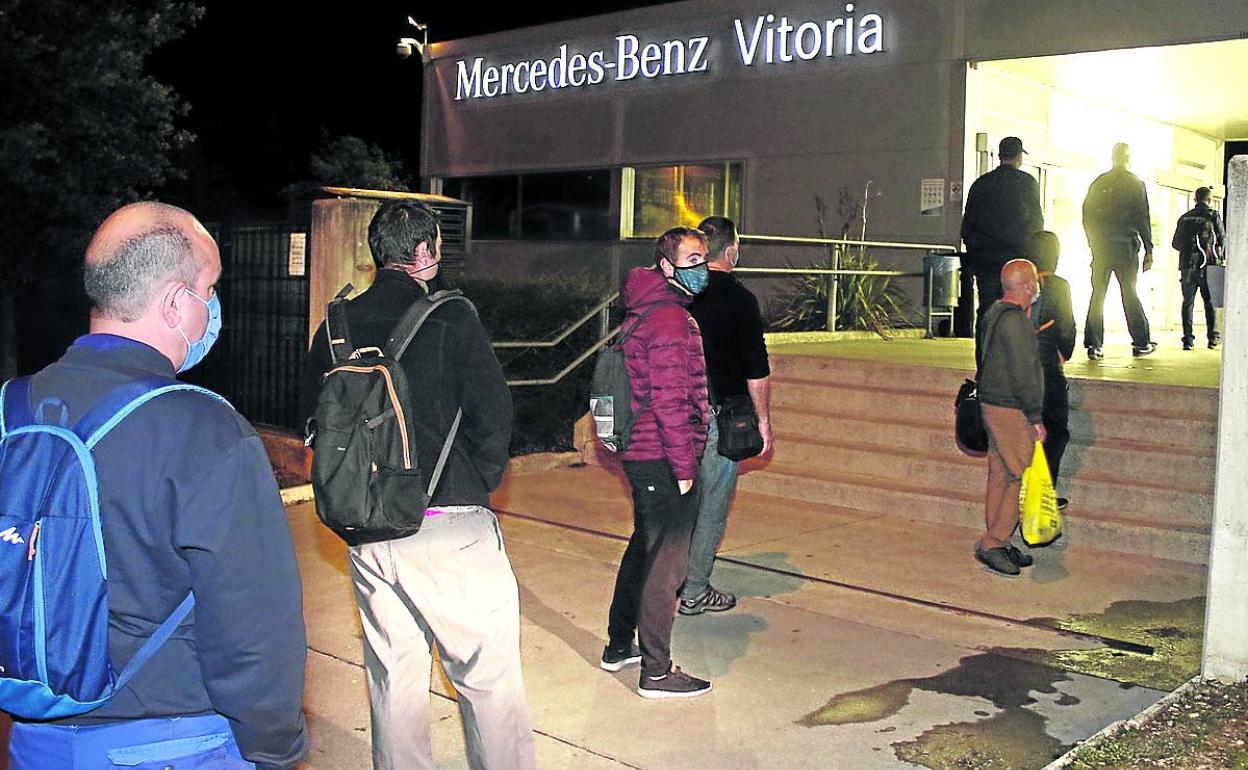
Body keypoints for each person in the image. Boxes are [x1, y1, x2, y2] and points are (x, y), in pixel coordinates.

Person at [6, 202, 308, 769]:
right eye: (209, 290)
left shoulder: (10, 410)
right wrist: (276, 749)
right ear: (175, 303)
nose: (213, 308)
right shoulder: (204, 430)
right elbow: (255, 629)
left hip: (33, 742)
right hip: (170, 745)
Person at [300, 201, 535, 769]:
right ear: (426, 251)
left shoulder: (335, 326)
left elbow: (314, 422)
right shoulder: (452, 317)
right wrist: (476, 484)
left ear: (377, 253)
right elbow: (493, 414)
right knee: (486, 679)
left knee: (394, 677)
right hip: (446, 524)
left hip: (368, 529)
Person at [602, 227, 713, 698]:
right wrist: (685, 467)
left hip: (644, 453)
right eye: (691, 260)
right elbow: (671, 401)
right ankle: (657, 671)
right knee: (667, 566)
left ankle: (618, 645)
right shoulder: (669, 319)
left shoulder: (646, 310)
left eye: (704, 257)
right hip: (662, 455)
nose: (701, 267)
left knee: (644, 548)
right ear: (666, 266)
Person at [677, 216, 773, 616]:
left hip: (673, 416)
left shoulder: (676, 292)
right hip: (717, 420)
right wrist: (763, 420)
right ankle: (694, 590)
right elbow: (756, 368)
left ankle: (664, 581)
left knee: (675, 505)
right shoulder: (740, 300)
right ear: (731, 252)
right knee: (711, 506)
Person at [974, 259, 1046, 577]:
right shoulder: (1015, 322)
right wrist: (1035, 416)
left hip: (991, 402)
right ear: (1028, 285)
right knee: (1023, 477)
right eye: (1035, 282)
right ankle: (994, 542)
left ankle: (998, 540)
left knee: (1000, 474)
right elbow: (1024, 373)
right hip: (1010, 407)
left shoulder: (993, 313)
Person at [959, 135, 1044, 348]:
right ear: (1019, 157)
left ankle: (985, 361)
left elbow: (967, 226)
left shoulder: (981, 184)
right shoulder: (1027, 183)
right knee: (1018, 311)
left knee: (987, 310)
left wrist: (976, 254)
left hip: (986, 261)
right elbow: (1036, 224)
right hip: (1017, 261)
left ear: (999, 156)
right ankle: (1013, 358)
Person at [1082, 142, 1157, 359]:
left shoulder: (1099, 182)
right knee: (1129, 293)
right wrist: (1149, 248)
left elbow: (1087, 215)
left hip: (1102, 247)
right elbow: (1143, 217)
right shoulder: (1135, 184)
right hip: (1126, 247)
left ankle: (1094, 345)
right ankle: (1141, 342)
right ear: (1128, 158)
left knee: (1098, 294)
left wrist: (1092, 242)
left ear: (1112, 157)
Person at [1027, 231, 1075, 511]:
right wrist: (1061, 354)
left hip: (1020, 369)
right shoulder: (1059, 286)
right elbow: (1067, 327)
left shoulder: (1020, 282)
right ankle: (1041, 496)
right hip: (1046, 369)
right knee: (1055, 431)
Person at [1171, 186, 1225, 350]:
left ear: (1195, 199)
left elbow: (1175, 243)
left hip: (1187, 266)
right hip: (1210, 265)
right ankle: (1213, 338)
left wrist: (1189, 251)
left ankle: (1188, 340)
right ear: (1210, 200)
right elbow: (1222, 240)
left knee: (1188, 302)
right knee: (1211, 302)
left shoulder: (1184, 218)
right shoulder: (1213, 215)